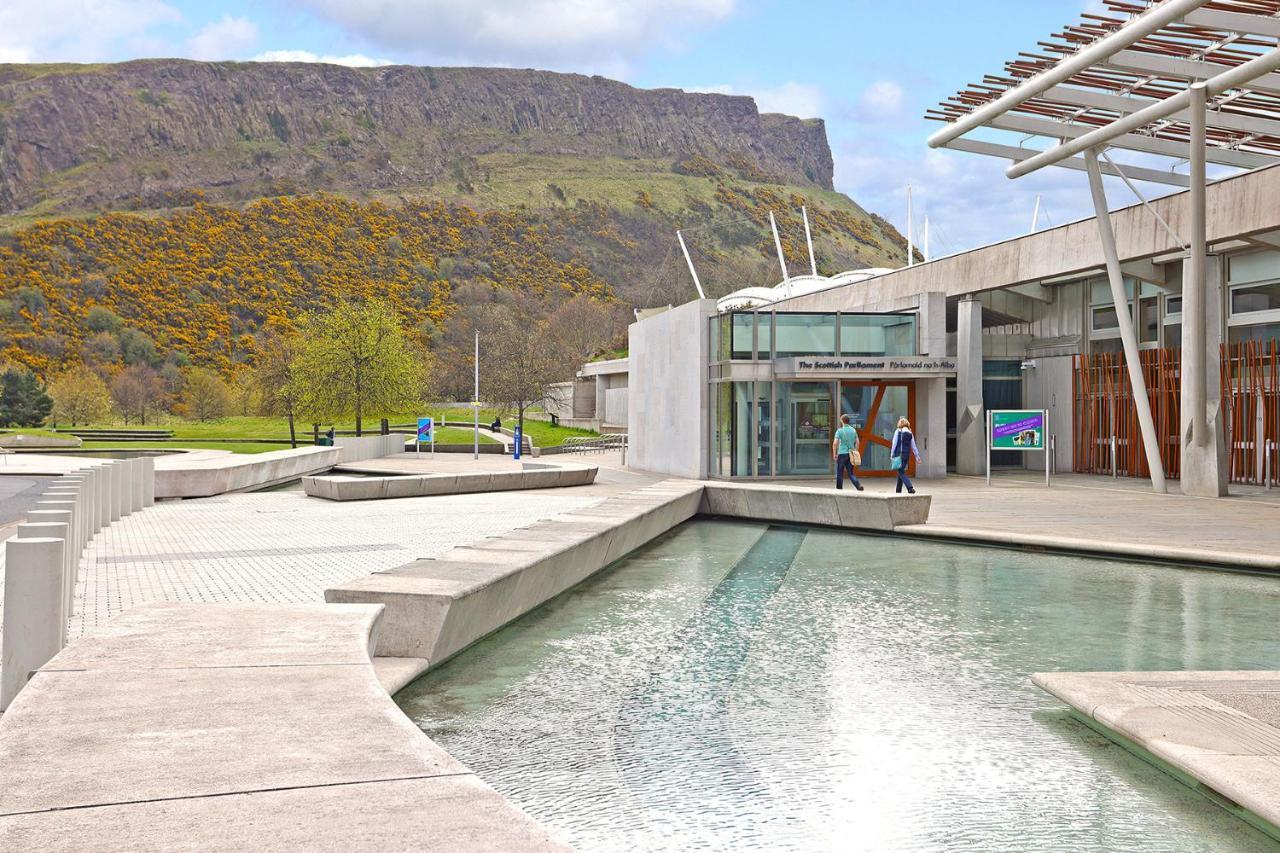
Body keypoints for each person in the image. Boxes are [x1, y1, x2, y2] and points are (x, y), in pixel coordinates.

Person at [831, 413, 864, 491]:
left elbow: (835, 443)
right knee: (851, 472)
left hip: (842, 454)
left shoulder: (839, 431)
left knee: (840, 472)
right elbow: (858, 442)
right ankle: (858, 485)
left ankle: (839, 488)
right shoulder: (853, 430)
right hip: (851, 454)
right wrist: (855, 450)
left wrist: (834, 453)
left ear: (842, 421)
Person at [890, 416, 922, 494]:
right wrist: (917, 457)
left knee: (901, 472)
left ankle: (910, 488)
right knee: (901, 470)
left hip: (899, 454)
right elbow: (913, 446)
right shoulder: (910, 432)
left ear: (900, 424)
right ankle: (898, 491)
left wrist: (891, 454)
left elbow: (894, 444)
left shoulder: (898, 431)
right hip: (906, 455)